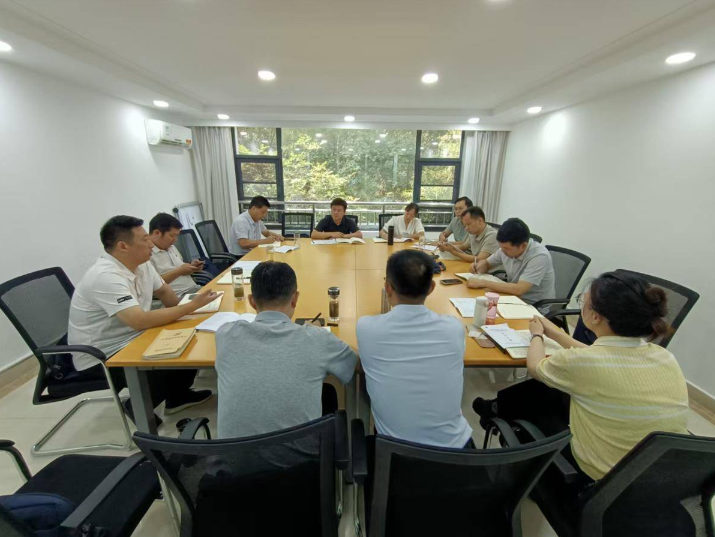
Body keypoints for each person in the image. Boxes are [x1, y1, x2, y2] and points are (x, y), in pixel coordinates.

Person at [473, 271, 689, 485]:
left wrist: (536, 335)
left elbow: (535, 367)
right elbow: (597, 356)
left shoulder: (582, 362)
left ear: (595, 316)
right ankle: (495, 406)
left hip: (602, 480)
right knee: (553, 389)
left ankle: (498, 412)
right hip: (665, 476)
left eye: (582, 302)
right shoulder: (665, 356)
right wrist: (556, 334)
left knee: (541, 395)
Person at [68, 216, 216, 423]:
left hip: (133, 337)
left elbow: (165, 293)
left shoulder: (142, 265)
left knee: (191, 338)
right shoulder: (105, 276)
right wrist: (191, 307)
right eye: (145, 239)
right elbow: (138, 321)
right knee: (173, 361)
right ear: (123, 246)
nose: (151, 244)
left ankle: (178, 397)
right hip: (104, 354)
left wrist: (191, 315)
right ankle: (137, 405)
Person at [216, 261, 358, 438]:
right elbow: (355, 365)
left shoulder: (225, 334)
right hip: (302, 455)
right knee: (327, 392)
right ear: (295, 299)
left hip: (232, 455)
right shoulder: (317, 339)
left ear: (252, 301)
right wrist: (315, 333)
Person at [357, 250, 473, 448]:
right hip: (458, 455)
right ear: (431, 288)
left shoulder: (366, 328)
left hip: (395, 458)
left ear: (387, 287)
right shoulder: (453, 328)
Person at [468, 217, 555, 311]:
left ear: (523, 246)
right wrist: (479, 266)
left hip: (533, 307)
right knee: (480, 307)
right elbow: (487, 263)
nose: (502, 251)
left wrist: (483, 282)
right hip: (511, 298)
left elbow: (519, 289)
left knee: (487, 312)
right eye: (501, 247)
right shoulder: (505, 249)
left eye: (506, 248)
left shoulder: (539, 256)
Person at [148, 212, 204, 298]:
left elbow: (179, 267)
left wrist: (192, 267)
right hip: (178, 296)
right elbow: (152, 286)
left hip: (194, 289)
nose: (175, 239)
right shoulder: (146, 254)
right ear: (157, 233)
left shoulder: (171, 247)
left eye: (176, 236)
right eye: (172, 236)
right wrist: (179, 271)